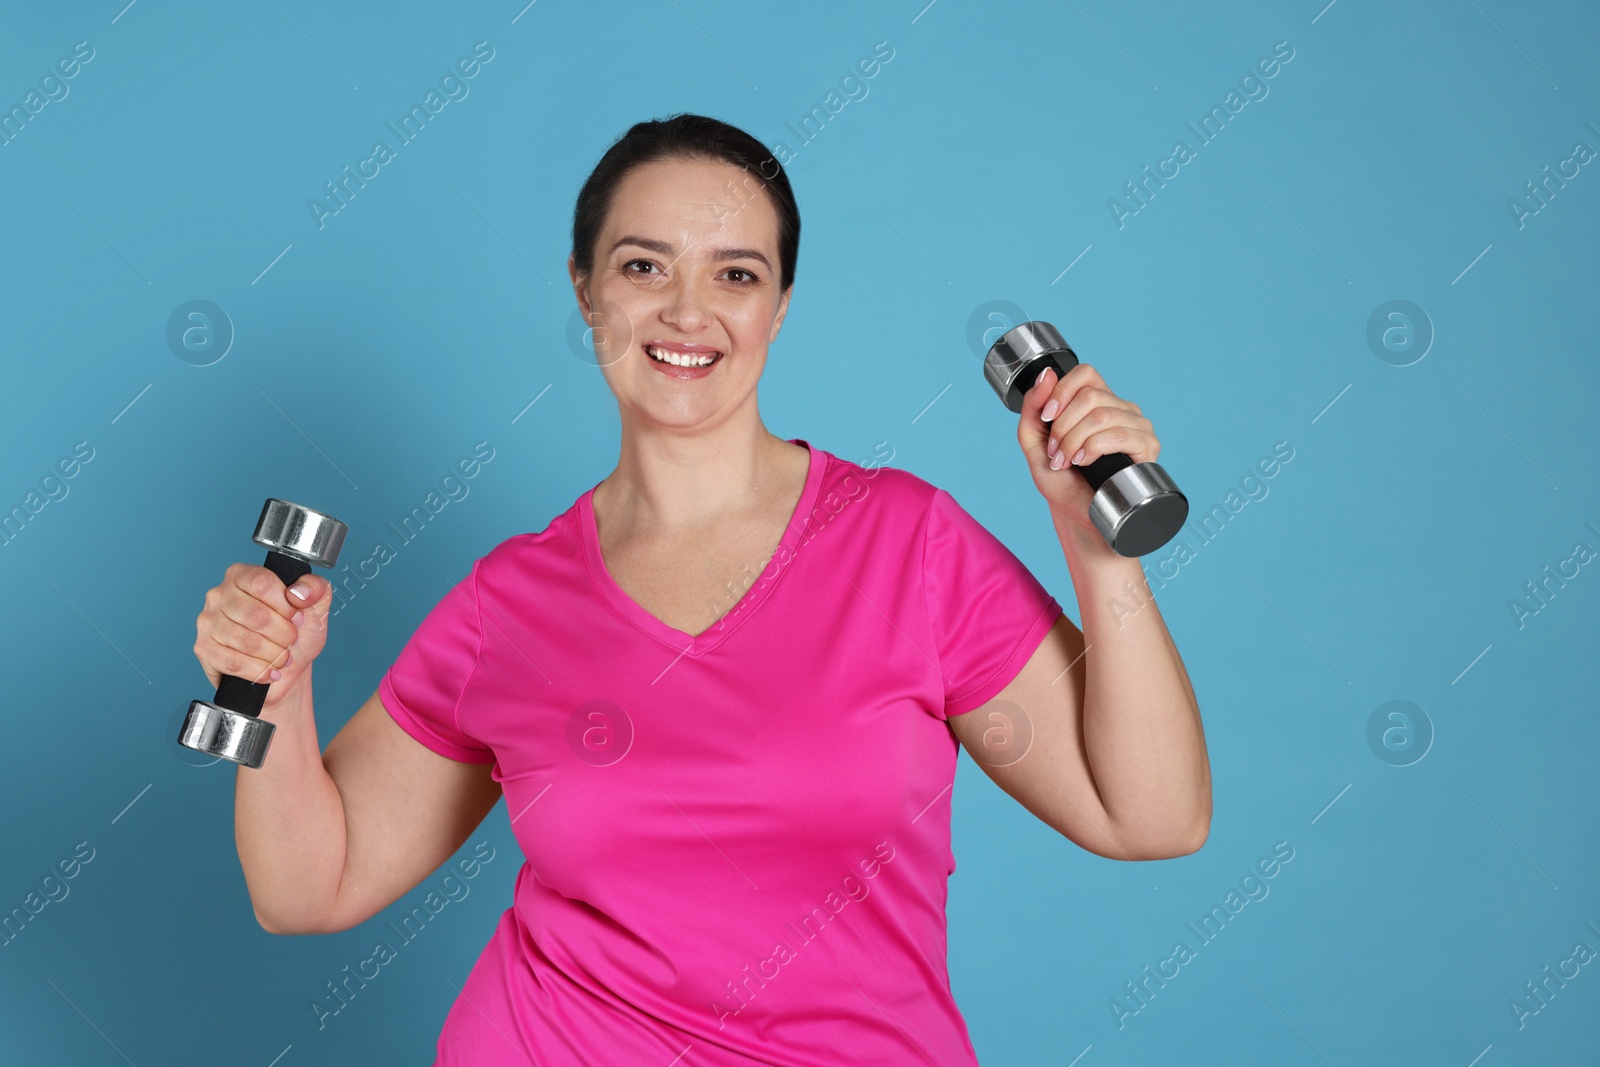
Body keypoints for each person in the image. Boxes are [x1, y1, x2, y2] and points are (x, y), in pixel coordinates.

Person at [193, 112, 1211, 1065]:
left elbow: (1151, 816)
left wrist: (1097, 549)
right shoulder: (510, 602)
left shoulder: (908, 544)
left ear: (778, 307)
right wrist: (274, 694)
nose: (687, 311)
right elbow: (308, 885)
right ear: (586, 289)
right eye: (644, 266)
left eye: (735, 273)